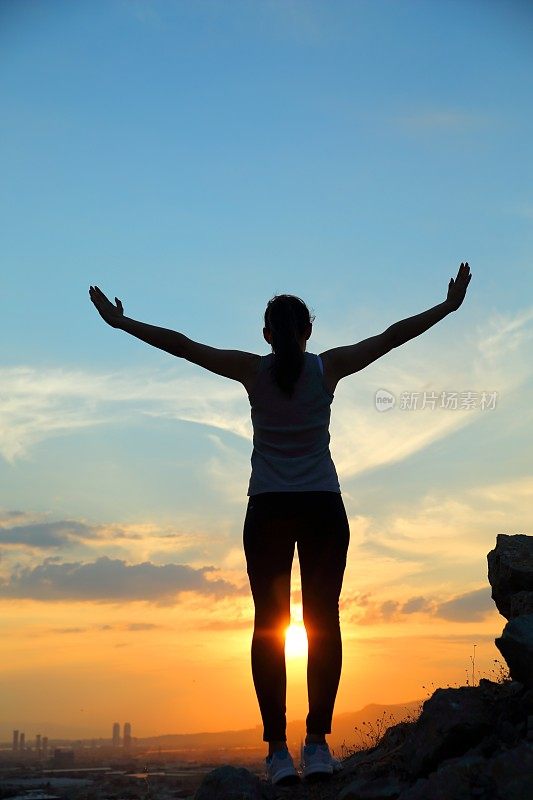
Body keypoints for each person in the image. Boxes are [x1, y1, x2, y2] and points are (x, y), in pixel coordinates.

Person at [88, 263, 472, 785]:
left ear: (266, 335)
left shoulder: (253, 370)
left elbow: (183, 345)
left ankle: (277, 754)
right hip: (321, 508)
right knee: (322, 623)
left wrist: (122, 324)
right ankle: (316, 745)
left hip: (268, 508)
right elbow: (391, 337)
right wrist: (447, 307)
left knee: (270, 628)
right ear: (308, 331)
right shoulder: (327, 368)